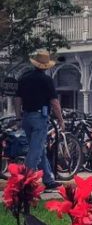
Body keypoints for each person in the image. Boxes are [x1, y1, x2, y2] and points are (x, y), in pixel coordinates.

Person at [13, 51, 64, 189]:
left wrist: (18, 117)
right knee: (35, 150)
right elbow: (54, 102)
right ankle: (24, 181)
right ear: (46, 66)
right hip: (40, 117)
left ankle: (48, 179)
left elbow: (17, 99)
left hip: (26, 116)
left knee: (39, 148)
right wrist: (60, 119)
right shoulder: (46, 80)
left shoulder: (24, 78)